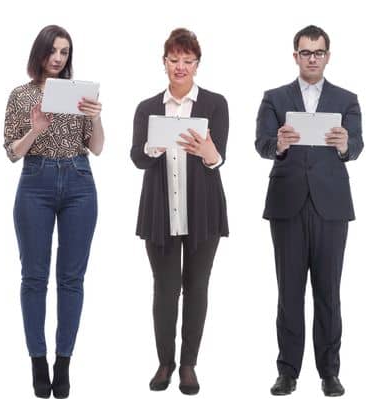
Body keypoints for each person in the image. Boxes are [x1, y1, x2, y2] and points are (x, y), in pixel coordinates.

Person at [256, 25, 360, 398]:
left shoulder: (346, 99)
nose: (312, 58)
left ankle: (329, 373)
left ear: (327, 56)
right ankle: (288, 371)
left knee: (328, 292)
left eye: (318, 52)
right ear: (295, 55)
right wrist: (278, 144)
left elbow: (358, 145)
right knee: (289, 292)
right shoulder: (275, 97)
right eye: (305, 52)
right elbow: (261, 144)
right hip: (287, 204)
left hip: (331, 206)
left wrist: (346, 145)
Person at [1, 25, 104, 399]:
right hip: (36, 181)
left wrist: (94, 115)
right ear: (40, 53)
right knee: (33, 277)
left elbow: (97, 148)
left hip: (79, 180)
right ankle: (38, 361)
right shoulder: (21, 95)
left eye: (65, 51)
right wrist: (35, 128)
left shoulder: (79, 95)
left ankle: (64, 362)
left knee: (71, 279)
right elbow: (11, 152)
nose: (58, 58)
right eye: (53, 51)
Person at [130, 28, 229, 396]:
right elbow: (137, 157)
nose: (181, 67)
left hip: (203, 211)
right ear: (164, 62)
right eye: (175, 60)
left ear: (197, 64)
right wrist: (152, 148)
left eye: (188, 60)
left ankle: (189, 364)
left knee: (197, 287)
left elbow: (219, 158)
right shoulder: (148, 107)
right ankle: (165, 362)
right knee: (165, 289)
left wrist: (210, 155)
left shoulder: (215, 104)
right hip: (160, 209)